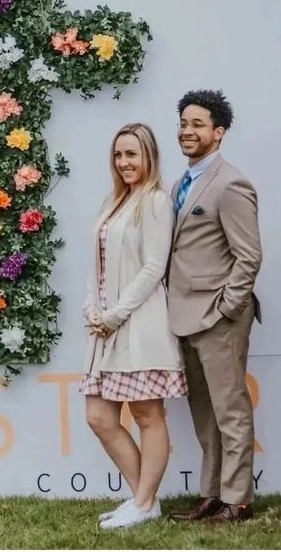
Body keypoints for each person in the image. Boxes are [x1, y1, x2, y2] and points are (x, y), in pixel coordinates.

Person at [81, 123, 188, 530]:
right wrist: (91, 307)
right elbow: (99, 267)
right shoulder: (113, 201)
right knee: (99, 416)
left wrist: (116, 313)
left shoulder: (157, 202)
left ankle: (143, 502)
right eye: (118, 155)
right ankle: (143, 498)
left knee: (147, 415)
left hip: (139, 323)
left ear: (149, 158)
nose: (124, 162)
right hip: (104, 328)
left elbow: (153, 268)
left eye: (132, 154)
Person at [167, 89, 262, 524]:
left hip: (219, 318)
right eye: (184, 123)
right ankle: (212, 494)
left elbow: (249, 255)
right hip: (184, 316)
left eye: (197, 124)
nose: (188, 131)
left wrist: (227, 307)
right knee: (204, 414)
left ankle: (238, 499)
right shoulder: (180, 183)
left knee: (231, 410)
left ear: (218, 133)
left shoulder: (231, 183)